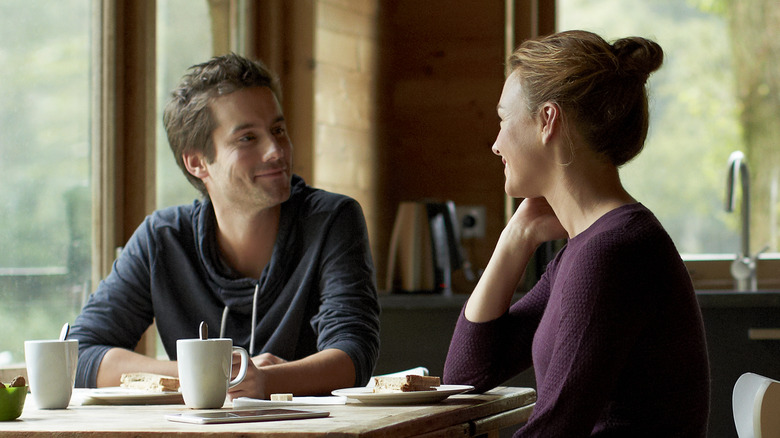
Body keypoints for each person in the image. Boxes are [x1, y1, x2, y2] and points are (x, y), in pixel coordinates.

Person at [442, 30, 710, 436]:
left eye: (504, 119)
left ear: (547, 120)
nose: (496, 144)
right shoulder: (591, 246)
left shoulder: (612, 252)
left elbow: (556, 429)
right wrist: (516, 238)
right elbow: (465, 375)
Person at [70, 53, 381, 400]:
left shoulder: (332, 219)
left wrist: (265, 381)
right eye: (248, 138)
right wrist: (209, 371)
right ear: (197, 162)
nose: (276, 151)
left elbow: (354, 354)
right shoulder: (162, 238)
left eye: (278, 130)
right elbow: (80, 355)